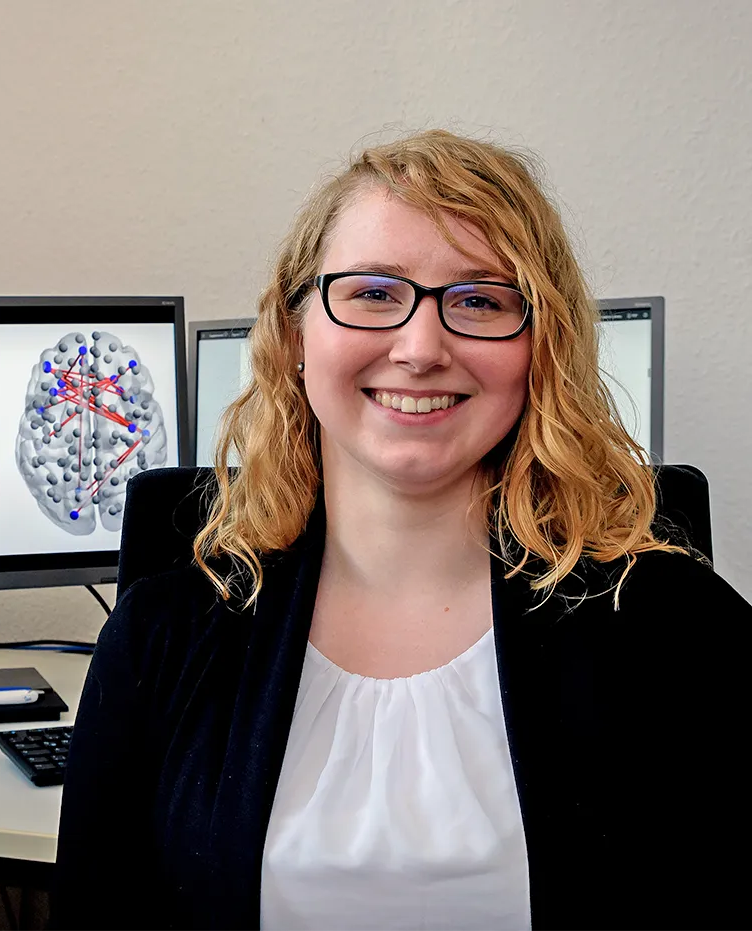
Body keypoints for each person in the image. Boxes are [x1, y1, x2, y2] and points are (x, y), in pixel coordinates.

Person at [53, 130, 749, 929]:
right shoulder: (162, 635)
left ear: (540, 346)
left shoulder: (672, 624)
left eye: (480, 300)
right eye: (374, 293)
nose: (421, 348)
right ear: (293, 338)